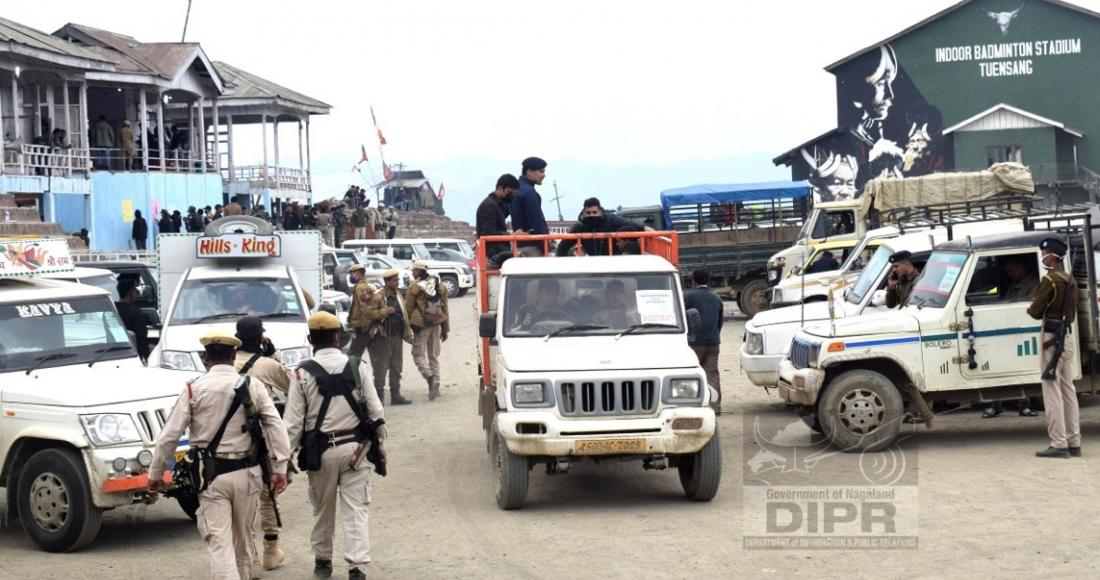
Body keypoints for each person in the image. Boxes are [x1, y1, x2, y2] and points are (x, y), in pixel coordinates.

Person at [147, 331, 291, 580]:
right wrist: (280, 468)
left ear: (205, 357)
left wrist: (156, 473)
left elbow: (169, 436)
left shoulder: (193, 389)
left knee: (219, 542)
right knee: (244, 539)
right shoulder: (253, 386)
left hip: (212, 477)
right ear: (233, 355)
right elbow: (275, 426)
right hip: (248, 474)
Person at [283, 312, 387, 580]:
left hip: (321, 453)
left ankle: (322, 563)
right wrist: (380, 447)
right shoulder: (357, 366)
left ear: (310, 339)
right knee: (356, 510)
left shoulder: (301, 374)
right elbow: (376, 412)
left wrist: (283, 461)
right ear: (338, 338)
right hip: (356, 450)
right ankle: (357, 568)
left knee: (322, 509)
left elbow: (292, 425)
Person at [232, 316, 292, 573]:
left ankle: (251, 559)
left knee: (242, 503)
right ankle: (270, 551)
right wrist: (274, 354)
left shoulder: (226, 362)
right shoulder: (267, 365)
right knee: (268, 495)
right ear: (260, 338)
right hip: (262, 440)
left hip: (232, 440)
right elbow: (293, 383)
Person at [1027, 237, 1080, 458]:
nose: (1042, 257)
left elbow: (1035, 311)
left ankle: (1059, 444)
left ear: (1053, 257)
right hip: (1066, 336)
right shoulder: (1070, 280)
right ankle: (1074, 441)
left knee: (1051, 391)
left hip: (1051, 337)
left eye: (1045, 253)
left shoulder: (1050, 280)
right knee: (1068, 390)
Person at [365, 269, 414, 405]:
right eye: (394, 280)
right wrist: (385, 311)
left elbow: (403, 314)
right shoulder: (378, 296)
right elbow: (369, 314)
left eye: (397, 280)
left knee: (396, 367)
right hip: (381, 339)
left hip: (396, 336)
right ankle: (378, 400)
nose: (397, 282)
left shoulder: (398, 295)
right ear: (386, 282)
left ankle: (395, 395)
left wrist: (407, 332)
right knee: (380, 369)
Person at [405, 260, 449, 400]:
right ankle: (437, 384)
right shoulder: (439, 285)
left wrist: (407, 328)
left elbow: (408, 308)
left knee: (418, 354)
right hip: (436, 323)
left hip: (421, 325)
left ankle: (430, 379)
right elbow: (444, 307)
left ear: (419, 271)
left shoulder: (414, 287)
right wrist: (445, 328)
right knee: (433, 355)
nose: (412, 272)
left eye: (414, 270)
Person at [685, 269, 723, 413]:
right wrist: (715, 336)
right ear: (708, 281)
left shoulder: (689, 298)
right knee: (712, 373)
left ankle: (691, 406)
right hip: (713, 342)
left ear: (694, 281)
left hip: (695, 343)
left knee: (691, 373)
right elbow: (720, 322)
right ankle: (715, 406)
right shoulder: (716, 298)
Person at [555, 197, 646, 257]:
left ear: (600, 212)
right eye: (588, 213)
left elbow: (632, 224)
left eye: (594, 212)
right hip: (594, 263)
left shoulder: (611, 219)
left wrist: (645, 228)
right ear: (583, 213)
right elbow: (563, 246)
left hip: (613, 262)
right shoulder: (580, 226)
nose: (591, 215)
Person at [476, 174, 519, 265]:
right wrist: (511, 235)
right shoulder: (490, 206)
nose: (511, 196)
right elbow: (487, 233)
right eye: (509, 192)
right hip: (494, 255)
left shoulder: (498, 205)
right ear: (500, 188)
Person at [510, 157, 549, 255]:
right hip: (532, 247)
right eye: (541, 171)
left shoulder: (515, 190)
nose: (544, 175)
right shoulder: (529, 193)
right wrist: (546, 248)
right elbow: (537, 223)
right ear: (529, 172)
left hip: (518, 246)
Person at [346, 264, 377, 365]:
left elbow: (364, 307)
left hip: (362, 325)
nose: (351, 276)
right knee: (357, 352)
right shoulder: (365, 285)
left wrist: (365, 324)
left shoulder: (360, 287)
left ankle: (353, 376)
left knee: (353, 354)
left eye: (352, 274)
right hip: (364, 325)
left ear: (358, 273)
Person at [114, 278, 150, 362]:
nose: (137, 294)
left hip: (114, 353)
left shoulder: (112, 310)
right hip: (133, 354)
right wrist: (146, 357)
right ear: (130, 292)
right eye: (135, 290)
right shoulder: (135, 312)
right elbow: (141, 338)